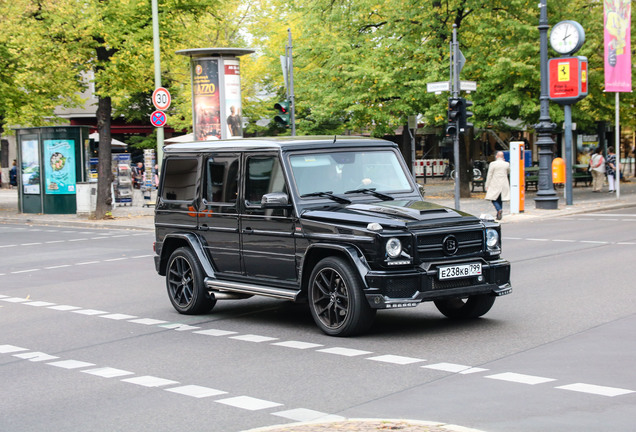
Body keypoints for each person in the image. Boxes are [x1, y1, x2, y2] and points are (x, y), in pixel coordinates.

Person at [485, 151, 510, 220]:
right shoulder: (506, 164)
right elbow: (508, 172)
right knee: (500, 198)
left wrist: (487, 185)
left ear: (496, 156)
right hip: (504, 184)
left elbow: (489, 175)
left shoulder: (493, 164)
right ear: (503, 157)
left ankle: (499, 209)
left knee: (493, 198)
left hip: (495, 183)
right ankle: (499, 212)